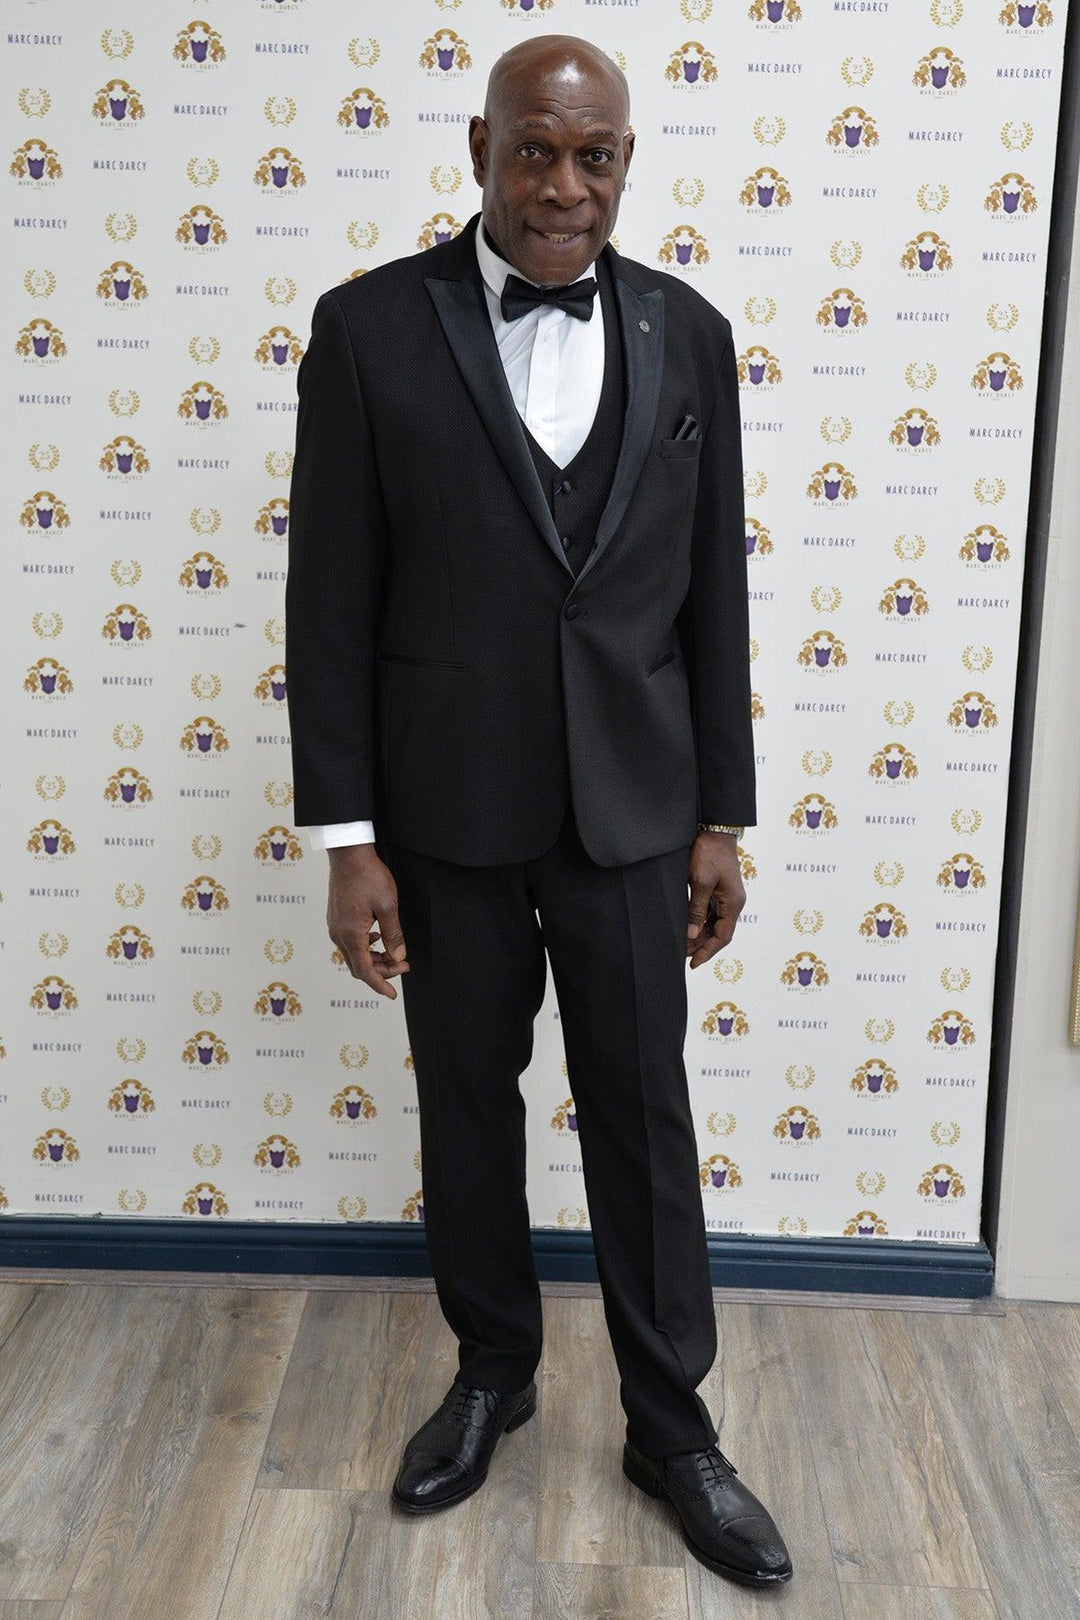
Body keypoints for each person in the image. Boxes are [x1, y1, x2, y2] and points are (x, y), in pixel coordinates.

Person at [284, 32, 792, 1591]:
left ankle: (671, 1425)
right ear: (479, 146)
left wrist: (723, 815)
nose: (564, 186)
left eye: (595, 156)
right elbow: (331, 598)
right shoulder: (370, 330)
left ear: (626, 160)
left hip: (638, 809)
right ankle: (492, 1370)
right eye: (534, 150)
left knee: (645, 1117)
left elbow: (714, 598)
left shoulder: (691, 333)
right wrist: (346, 838)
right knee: (468, 1102)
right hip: (444, 805)